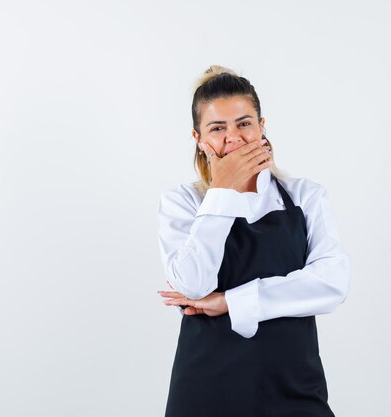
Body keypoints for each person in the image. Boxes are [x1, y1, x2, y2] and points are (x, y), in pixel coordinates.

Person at [156, 65, 350, 417]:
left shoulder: (306, 196)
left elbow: (331, 284)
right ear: (199, 139)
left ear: (262, 128)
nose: (233, 137)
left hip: (293, 387)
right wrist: (222, 190)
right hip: (205, 390)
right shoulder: (182, 203)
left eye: (244, 123)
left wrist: (231, 301)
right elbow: (194, 285)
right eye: (217, 128)